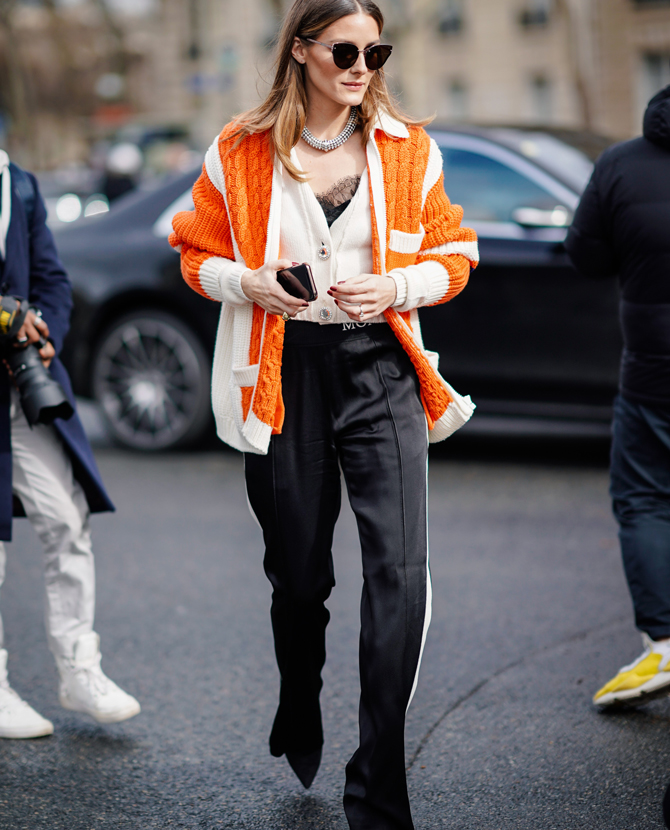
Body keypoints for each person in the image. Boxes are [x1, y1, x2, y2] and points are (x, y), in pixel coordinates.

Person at [170, 0, 478, 826]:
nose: (361, 68)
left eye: (376, 53)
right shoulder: (239, 148)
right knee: (300, 579)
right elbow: (193, 251)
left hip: (381, 368)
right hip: (285, 373)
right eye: (345, 50)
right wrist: (248, 282)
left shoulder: (409, 148)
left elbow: (456, 253)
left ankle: (377, 783)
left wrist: (398, 286)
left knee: (400, 574)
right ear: (302, 50)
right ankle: (299, 695)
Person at [0, 150, 140, 738]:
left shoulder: (18, 183)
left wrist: (42, 333)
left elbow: (52, 280)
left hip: (21, 388)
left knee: (66, 519)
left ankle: (79, 670)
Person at [565, 85, 670, 709]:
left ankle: (665, 644)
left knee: (645, 498)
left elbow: (586, 254)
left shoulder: (620, 164)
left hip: (654, 373)